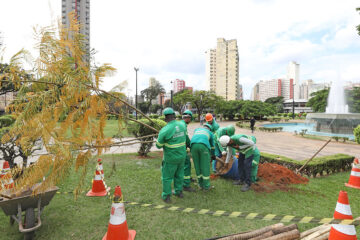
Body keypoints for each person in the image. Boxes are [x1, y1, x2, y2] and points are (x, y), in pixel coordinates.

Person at [156, 107, 187, 203]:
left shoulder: (165, 130)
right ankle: (179, 192)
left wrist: (163, 139)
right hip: (182, 156)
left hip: (171, 158)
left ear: (165, 118)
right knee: (179, 175)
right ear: (174, 115)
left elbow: (158, 145)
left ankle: (166, 196)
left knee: (167, 177)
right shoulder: (182, 125)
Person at [190, 123, 216, 191]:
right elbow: (212, 146)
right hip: (203, 146)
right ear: (210, 129)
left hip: (193, 146)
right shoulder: (210, 133)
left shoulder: (197, 130)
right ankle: (206, 186)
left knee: (197, 165)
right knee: (205, 166)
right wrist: (213, 155)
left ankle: (200, 184)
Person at [182, 110, 196, 192]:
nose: (190, 121)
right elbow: (186, 138)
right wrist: (190, 145)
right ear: (188, 118)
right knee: (187, 164)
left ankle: (186, 179)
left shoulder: (180, 124)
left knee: (181, 166)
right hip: (181, 149)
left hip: (176, 149)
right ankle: (186, 185)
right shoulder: (183, 126)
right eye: (190, 119)